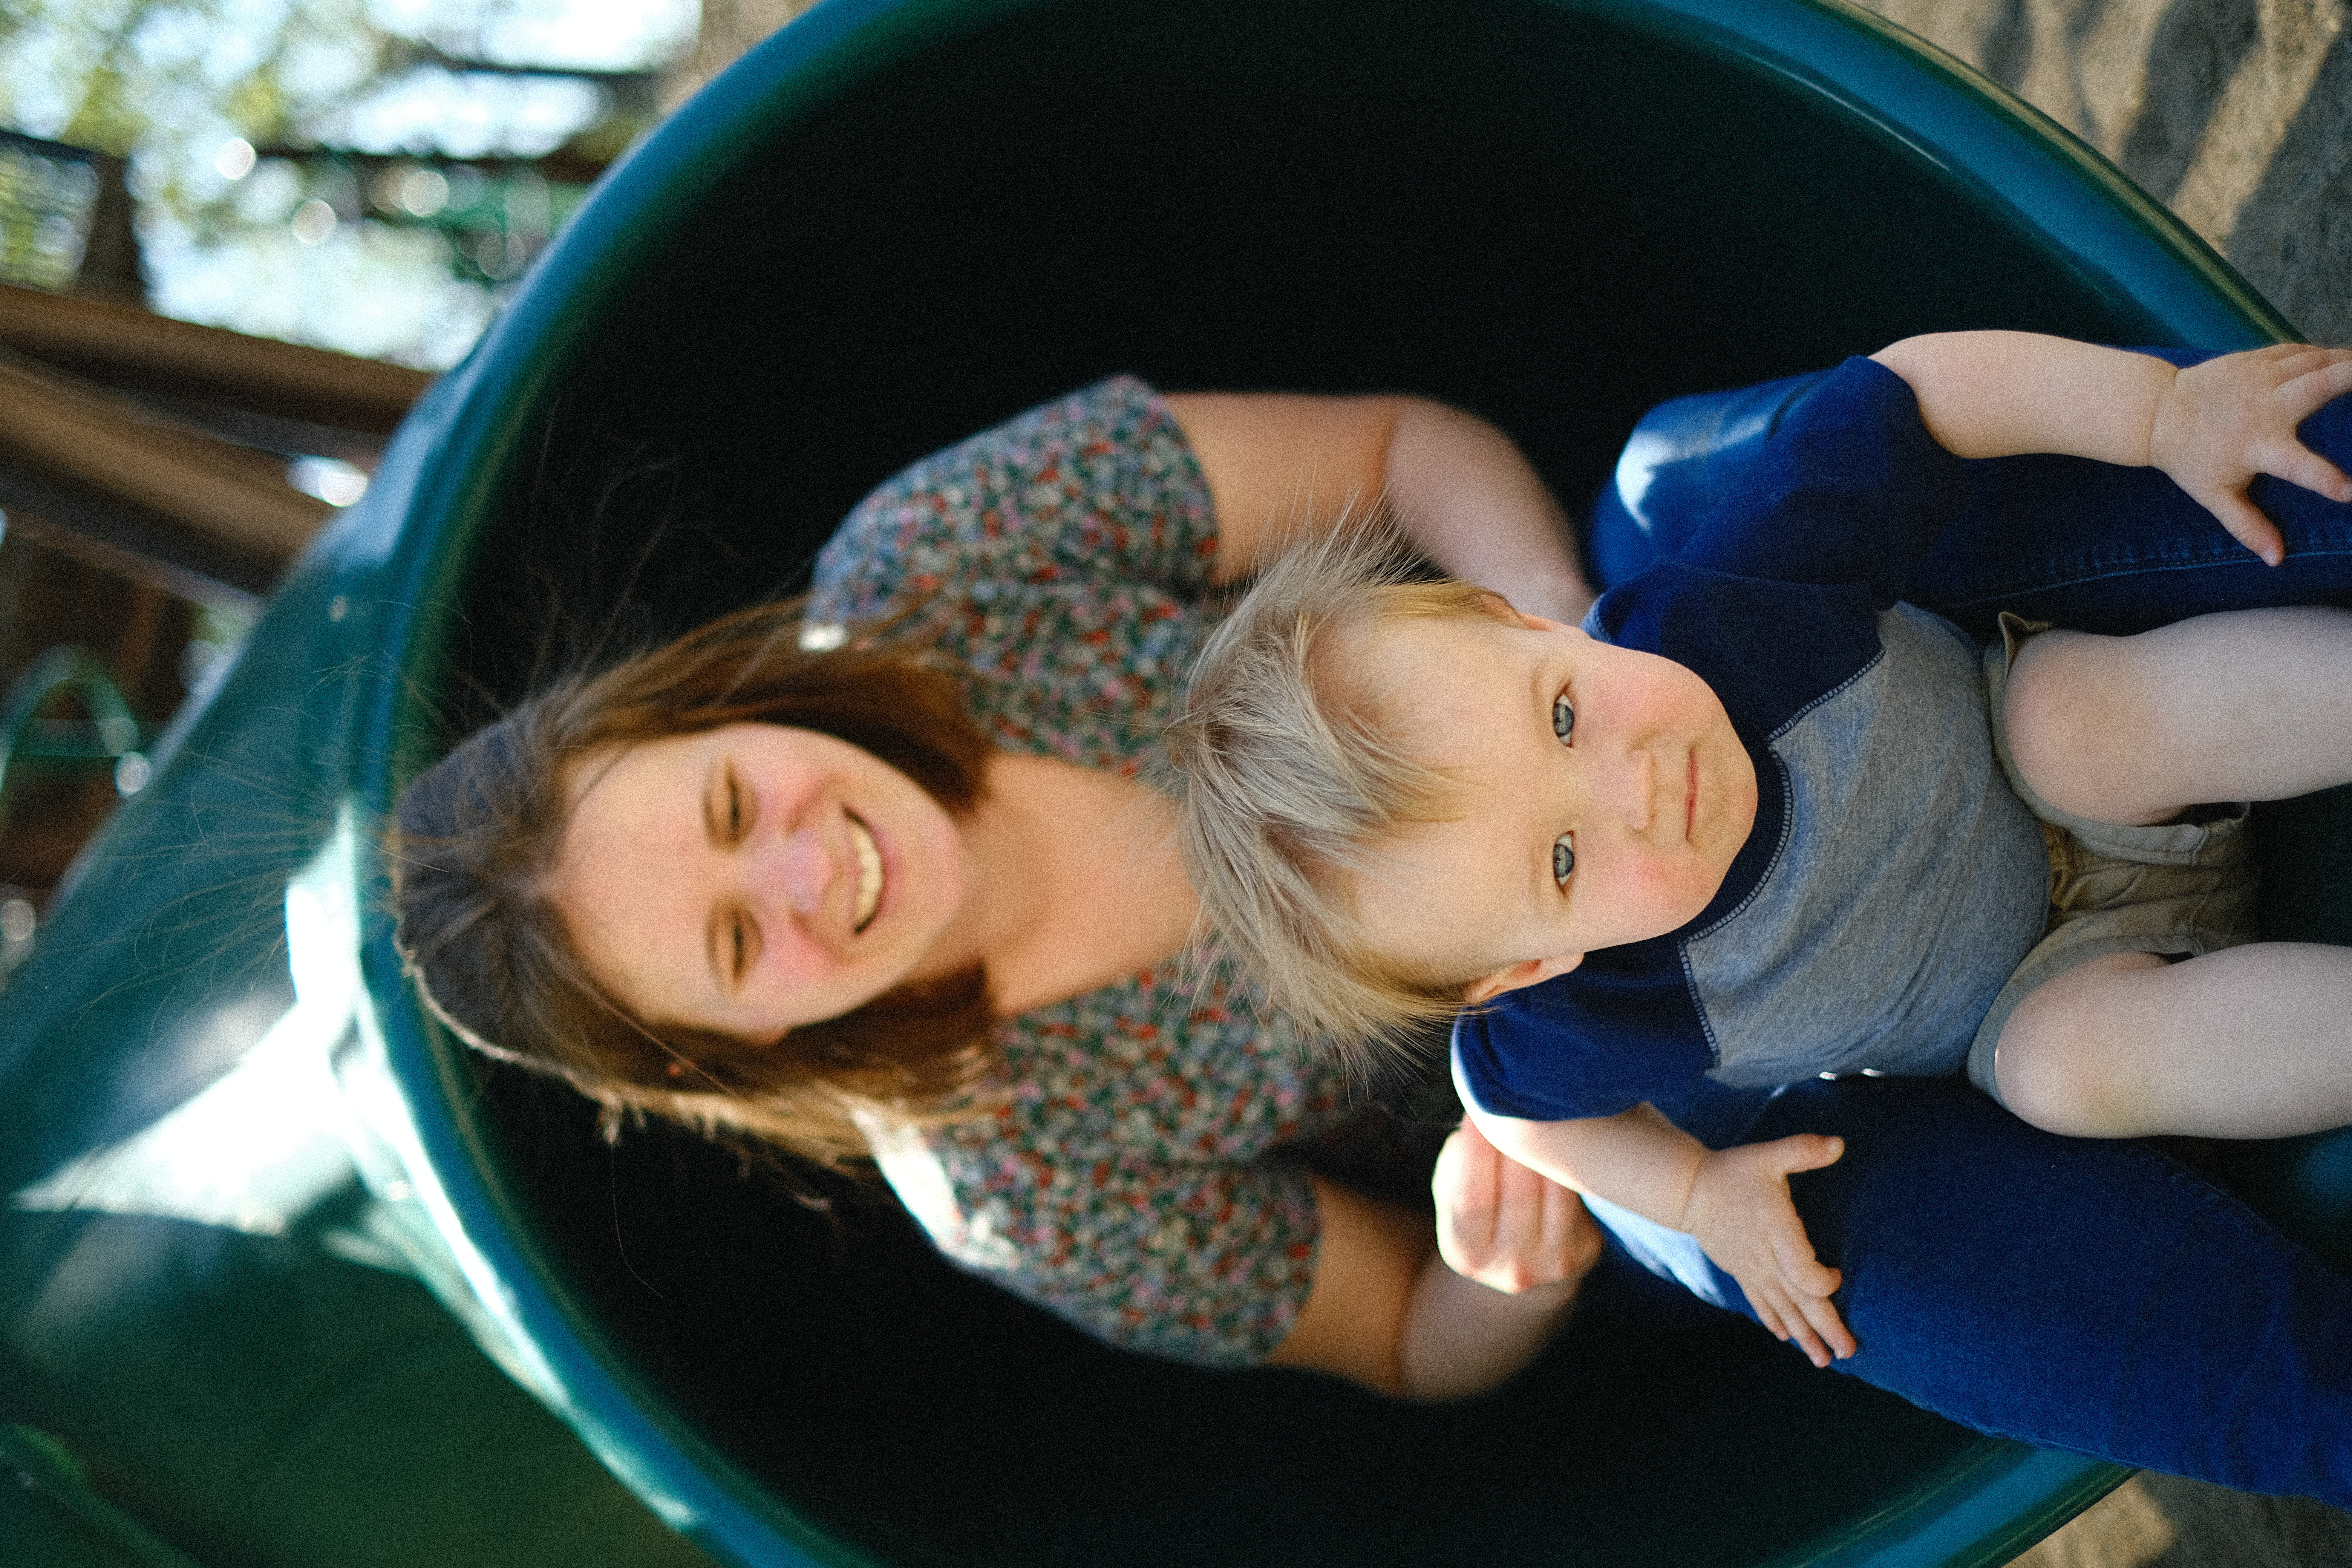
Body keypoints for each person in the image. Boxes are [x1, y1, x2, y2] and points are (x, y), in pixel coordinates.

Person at [393, 359, 2352, 1503]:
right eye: (739, 946)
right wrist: (1502, 1252)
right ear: (740, 1060)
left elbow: (1399, 450)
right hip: (1648, 1032)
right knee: (1765, 1246)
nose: (808, 868)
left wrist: (1565, 654)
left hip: (1697, 705)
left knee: (1688, 477)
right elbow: (1418, 1343)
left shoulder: (938, 571)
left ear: (721, 708)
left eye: (735, 806)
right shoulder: (1015, 1173)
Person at [1165, 332, 2352, 1374]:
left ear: (1520, 621)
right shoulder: (1588, 1016)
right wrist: (1695, 1196)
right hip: (2054, 987)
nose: (1640, 788)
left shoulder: (1726, 608)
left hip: (2053, 761)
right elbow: (1516, 1109)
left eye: (1565, 715)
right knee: (2060, 1075)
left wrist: (2158, 413)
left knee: (2072, 723)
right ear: (1520, 970)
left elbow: (1915, 393)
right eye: (1567, 861)